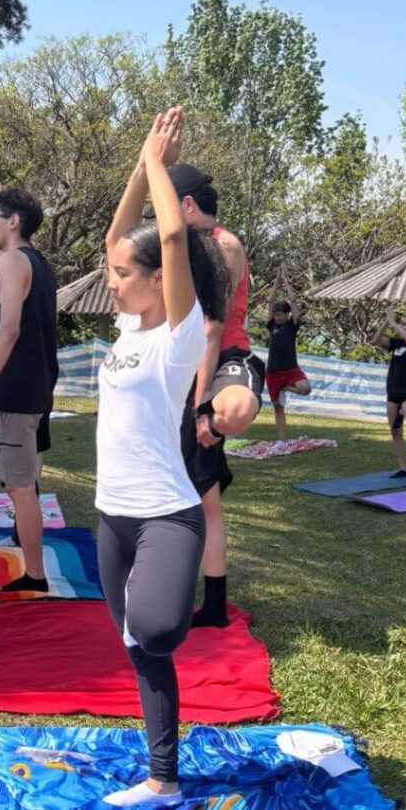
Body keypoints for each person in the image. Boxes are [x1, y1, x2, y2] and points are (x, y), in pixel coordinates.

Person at [99, 107, 228, 807]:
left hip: (166, 517)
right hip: (111, 517)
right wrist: (134, 168)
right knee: (138, 648)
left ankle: (163, 772)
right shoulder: (127, 323)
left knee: (153, 628)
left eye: (124, 274)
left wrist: (155, 159)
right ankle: (163, 779)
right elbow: (121, 236)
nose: (112, 281)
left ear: (158, 281)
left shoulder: (177, 337)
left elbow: (169, 235)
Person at [168, 162, 263, 630]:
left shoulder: (223, 245)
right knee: (183, 493)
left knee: (204, 493)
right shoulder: (177, 247)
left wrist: (202, 405)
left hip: (222, 361)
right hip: (184, 370)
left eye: (168, 207)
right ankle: (192, 598)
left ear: (187, 205)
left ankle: (213, 604)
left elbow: (212, 328)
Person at [0, 186, 59, 594]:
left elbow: (9, 328)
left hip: (15, 387)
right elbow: (2, 272)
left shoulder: (14, 261)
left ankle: (35, 575)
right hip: (39, 385)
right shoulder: (35, 261)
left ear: (13, 221)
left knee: (20, 487)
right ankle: (22, 541)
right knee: (26, 478)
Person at [373, 305, 406, 477]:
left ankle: (405, 410)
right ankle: (403, 467)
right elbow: (377, 339)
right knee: (395, 431)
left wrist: (394, 323)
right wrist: (385, 323)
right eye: (404, 324)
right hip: (393, 392)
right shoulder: (397, 343)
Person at [264, 265, 312, 443]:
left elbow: (293, 300)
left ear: (286, 315)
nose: (277, 317)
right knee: (278, 408)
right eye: (275, 315)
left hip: (291, 370)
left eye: (280, 315)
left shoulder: (293, 325)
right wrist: (276, 281)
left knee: (305, 389)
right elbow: (270, 302)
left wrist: (285, 280)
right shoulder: (272, 326)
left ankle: (283, 387)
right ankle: (281, 441)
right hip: (273, 372)